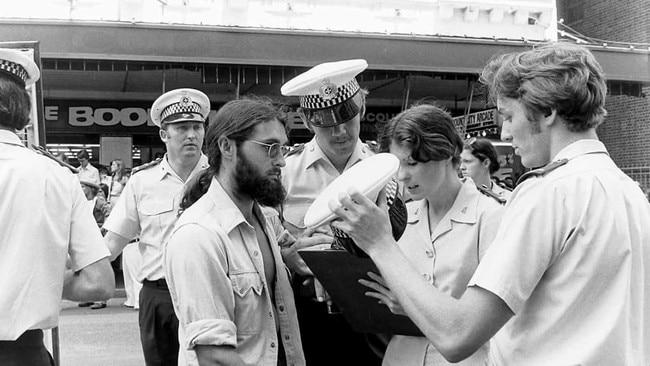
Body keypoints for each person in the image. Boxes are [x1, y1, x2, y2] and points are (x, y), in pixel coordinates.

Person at [331, 42, 650, 365]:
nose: (505, 132)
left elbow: (457, 335)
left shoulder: (549, 192)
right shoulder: (630, 193)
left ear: (547, 112)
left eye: (509, 116)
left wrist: (380, 242)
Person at [164, 97, 305, 366]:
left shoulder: (263, 220)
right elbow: (214, 355)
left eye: (282, 149)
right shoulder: (199, 235)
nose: (281, 162)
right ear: (227, 146)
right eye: (270, 148)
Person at [362, 103, 504, 366]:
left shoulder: (491, 218)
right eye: (397, 165)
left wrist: (413, 305)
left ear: (446, 154)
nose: (402, 176)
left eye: (412, 163)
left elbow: (493, 320)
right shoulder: (398, 218)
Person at [0, 48, 114, 365]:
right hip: (23, 354)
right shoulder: (57, 177)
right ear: (23, 110)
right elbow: (99, 282)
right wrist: (42, 282)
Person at [279, 59, 383, 366]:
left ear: (361, 109)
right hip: (308, 314)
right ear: (308, 121)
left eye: (347, 119)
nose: (340, 132)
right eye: (327, 124)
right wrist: (288, 257)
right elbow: (269, 243)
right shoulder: (285, 172)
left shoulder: (386, 169)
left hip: (372, 310)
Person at [102, 88, 210, 366]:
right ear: (164, 134)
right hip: (159, 297)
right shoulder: (142, 182)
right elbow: (112, 243)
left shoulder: (222, 177)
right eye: (182, 128)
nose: (191, 135)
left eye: (197, 127)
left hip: (211, 291)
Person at [77, 179, 114, 310]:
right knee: (87, 266)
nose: (80, 188)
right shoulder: (82, 201)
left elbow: (109, 213)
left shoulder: (98, 201)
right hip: (86, 236)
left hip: (97, 235)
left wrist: (103, 228)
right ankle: (90, 296)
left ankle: (100, 299)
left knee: (98, 264)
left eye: (82, 186)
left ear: (89, 188)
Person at [459, 137, 511, 202]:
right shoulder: (455, 197)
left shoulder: (508, 198)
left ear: (486, 163)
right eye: (461, 162)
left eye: (467, 161)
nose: (462, 167)